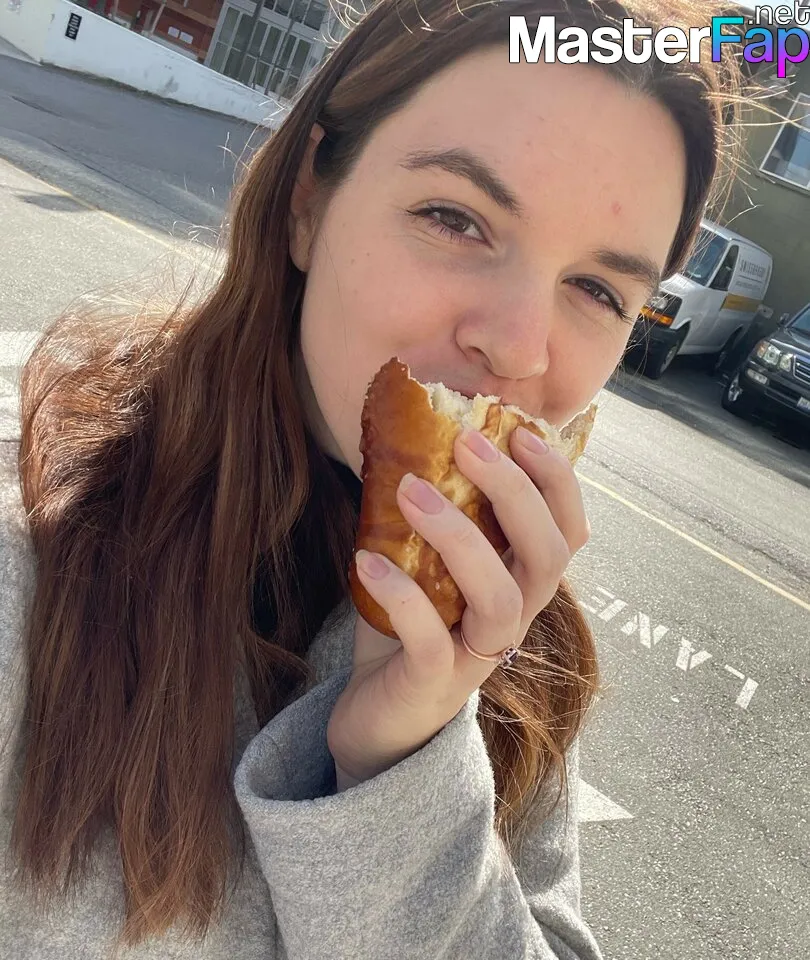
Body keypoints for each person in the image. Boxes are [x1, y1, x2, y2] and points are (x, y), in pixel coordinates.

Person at [0, 0, 741, 956]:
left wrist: (406, 756)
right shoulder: (35, 547)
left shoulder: (515, 634)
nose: (519, 347)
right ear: (309, 202)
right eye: (454, 218)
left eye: (599, 290)